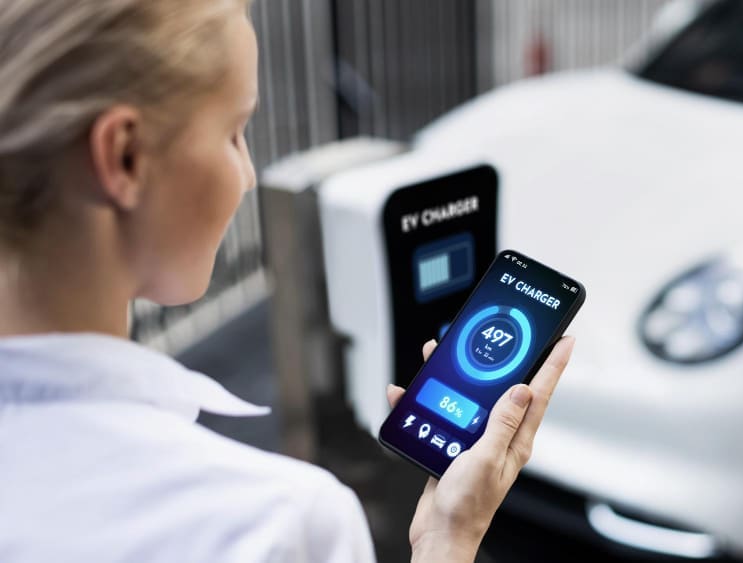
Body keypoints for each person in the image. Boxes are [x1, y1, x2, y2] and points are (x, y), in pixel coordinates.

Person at [0, 1, 576, 562]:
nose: (249, 174)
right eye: (233, 132)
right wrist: (450, 539)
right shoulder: (277, 523)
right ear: (124, 156)